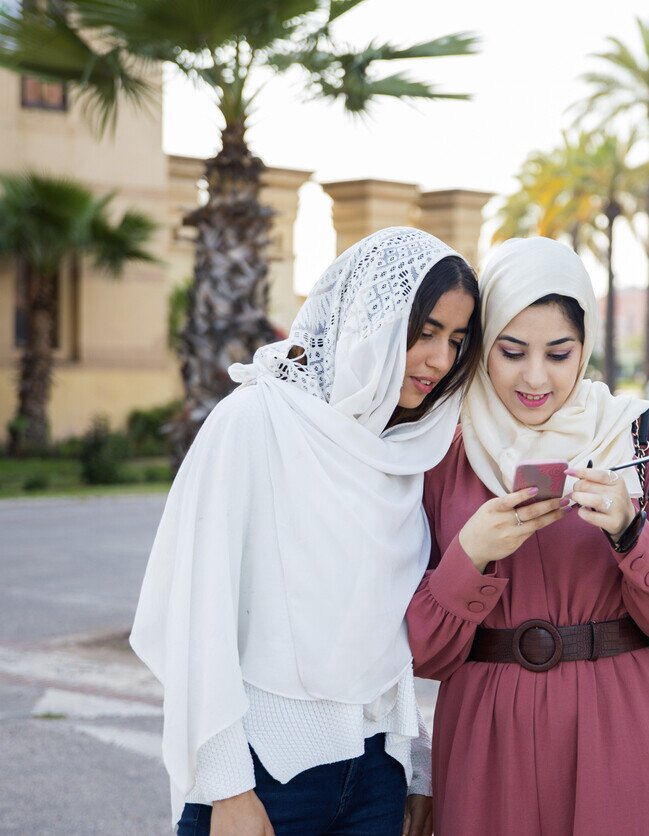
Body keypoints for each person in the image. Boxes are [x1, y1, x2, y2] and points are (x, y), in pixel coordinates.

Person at [130, 227, 483, 836]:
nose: (440, 360)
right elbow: (198, 616)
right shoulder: (254, 421)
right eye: (423, 333)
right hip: (261, 778)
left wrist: (414, 768)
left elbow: (382, 634)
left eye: (455, 340)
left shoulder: (399, 453)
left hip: (376, 774)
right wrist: (226, 788)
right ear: (369, 319)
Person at [406, 237, 649, 835]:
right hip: (486, 734)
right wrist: (470, 555)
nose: (536, 377)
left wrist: (632, 534)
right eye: (511, 351)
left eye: (559, 353)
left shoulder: (635, 435)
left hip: (623, 724)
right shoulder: (441, 445)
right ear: (482, 348)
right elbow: (419, 650)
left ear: (586, 348)